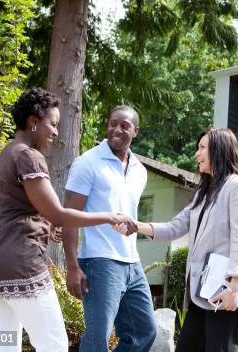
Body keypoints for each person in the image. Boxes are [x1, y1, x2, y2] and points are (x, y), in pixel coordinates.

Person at [0, 88, 132, 352]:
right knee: (54, 344)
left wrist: (47, 228)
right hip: (18, 264)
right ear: (34, 122)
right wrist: (108, 216)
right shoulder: (28, 156)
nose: (56, 132)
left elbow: (18, 210)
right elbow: (57, 213)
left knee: (2, 347)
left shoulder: (7, 153)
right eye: (53, 124)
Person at [123, 128, 238, 352]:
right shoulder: (203, 193)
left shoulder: (237, 186)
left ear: (219, 151)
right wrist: (136, 226)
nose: (197, 153)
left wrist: (234, 288)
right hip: (200, 292)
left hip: (223, 292)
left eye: (202, 148)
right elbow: (175, 227)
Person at [62, 105, 157, 352]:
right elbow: (69, 217)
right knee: (98, 338)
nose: (116, 129)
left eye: (124, 126)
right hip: (99, 261)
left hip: (132, 262)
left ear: (135, 131)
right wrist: (72, 267)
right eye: (112, 123)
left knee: (144, 331)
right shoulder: (88, 162)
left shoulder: (140, 170)